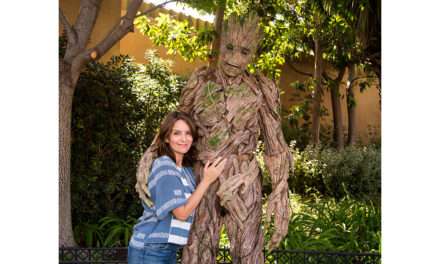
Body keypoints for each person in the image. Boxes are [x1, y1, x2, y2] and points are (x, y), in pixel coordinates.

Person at [128, 111, 226, 264]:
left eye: (188, 133)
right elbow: (181, 213)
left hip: (167, 249)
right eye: (177, 133)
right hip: (150, 248)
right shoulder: (164, 165)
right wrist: (207, 181)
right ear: (167, 138)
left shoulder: (185, 171)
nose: (184, 139)